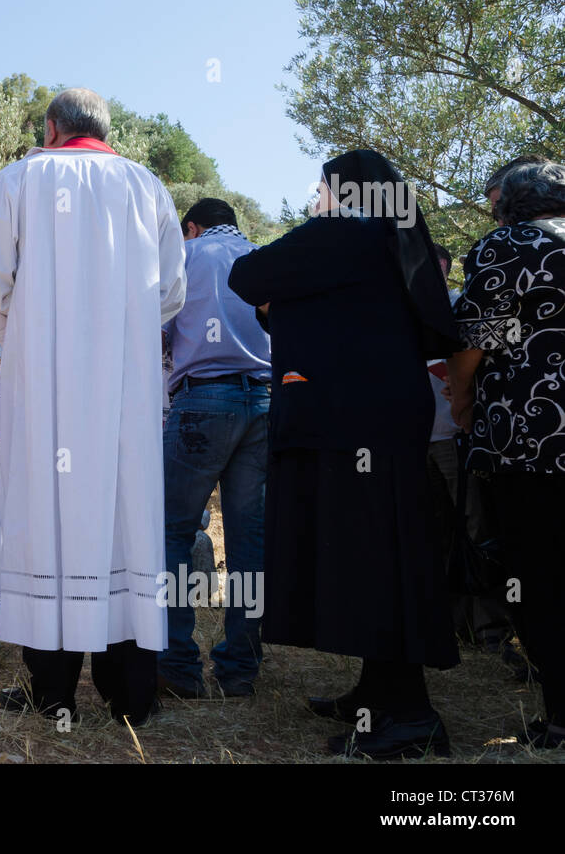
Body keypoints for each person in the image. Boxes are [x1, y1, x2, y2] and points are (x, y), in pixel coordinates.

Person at [0, 87, 186, 724]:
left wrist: (24, 330)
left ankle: (52, 693)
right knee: (125, 522)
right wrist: (128, 331)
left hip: (47, 385)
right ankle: (132, 696)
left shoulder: (21, 179)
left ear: (52, 127)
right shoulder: (147, 187)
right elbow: (171, 289)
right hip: (125, 388)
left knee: (48, 524)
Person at [229, 149, 460, 759]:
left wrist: (285, 297)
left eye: (322, 189)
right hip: (382, 414)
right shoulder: (388, 234)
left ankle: (410, 714)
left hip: (357, 423)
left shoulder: (349, 228)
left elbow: (249, 275)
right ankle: (378, 693)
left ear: (344, 189)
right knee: (378, 555)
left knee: (376, 561)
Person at [447, 160, 565, 750]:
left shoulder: (509, 245)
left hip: (531, 439)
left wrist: (462, 400)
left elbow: (475, 338)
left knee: (537, 571)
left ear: (509, 204)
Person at [159, 197, 271, 699]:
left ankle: (179, 664)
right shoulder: (263, 256)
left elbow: (156, 330)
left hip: (204, 398)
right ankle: (240, 669)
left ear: (192, 227)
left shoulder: (184, 257)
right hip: (265, 400)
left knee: (172, 531)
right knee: (250, 544)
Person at [424, 246, 523, 678]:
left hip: (456, 437)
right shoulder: (400, 311)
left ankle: (492, 629)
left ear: (445, 271)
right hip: (413, 440)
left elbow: (470, 363)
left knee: (477, 531)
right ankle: (449, 626)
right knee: (434, 535)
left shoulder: (458, 305)